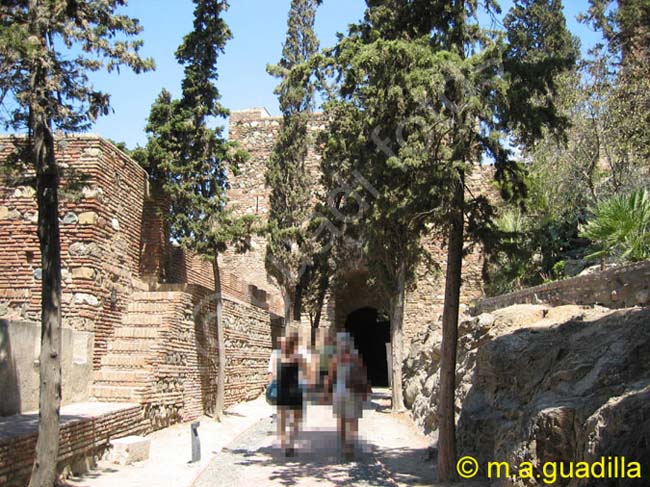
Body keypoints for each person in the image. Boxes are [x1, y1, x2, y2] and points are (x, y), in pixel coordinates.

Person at [325, 331, 369, 458]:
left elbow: (329, 377)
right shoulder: (356, 357)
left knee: (342, 419)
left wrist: (326, 393)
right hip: (353, 392)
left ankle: (345, 445)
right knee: (353, 419)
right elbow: (362, 375)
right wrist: (365, 390)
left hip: (340, 392)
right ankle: (351, 444)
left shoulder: (335, 359)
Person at [275, 332, 305, 456]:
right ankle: (290, 443)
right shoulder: (298, 357)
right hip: (295, 390)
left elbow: (275, 375)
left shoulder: (279, 358)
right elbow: (307, 373)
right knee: (296, 419)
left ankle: (283, 442)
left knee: (281, 417)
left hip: (283, 390)